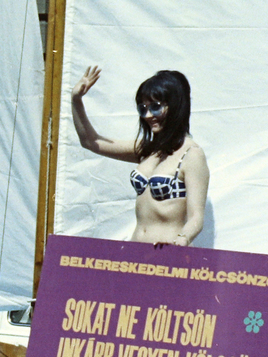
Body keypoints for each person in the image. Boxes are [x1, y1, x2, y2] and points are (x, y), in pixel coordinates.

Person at [71, 67, 210, 246]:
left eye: (156, 107)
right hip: (135, 251)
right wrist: (76, 99)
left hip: (168, 254)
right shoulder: (147, 149)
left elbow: (196, 218)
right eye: (143, 109)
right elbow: (91, 141)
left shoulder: (192, 155)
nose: (148, 115)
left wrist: (182, 240)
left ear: (175, 106)